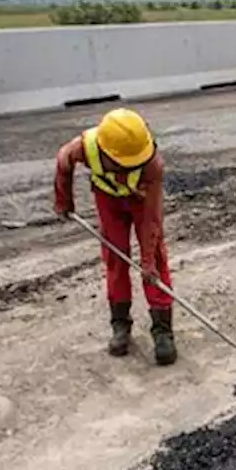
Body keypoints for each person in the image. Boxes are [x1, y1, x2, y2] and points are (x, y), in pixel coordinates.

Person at [54, 107, 176, 366]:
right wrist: (64, 200)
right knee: (115, 256)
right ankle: (120, 325)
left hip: (142, 202)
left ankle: (163, 331)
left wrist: (147, 262)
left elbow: (152, 218)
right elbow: (63, 160)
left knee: (154, 258)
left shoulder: (152, 164)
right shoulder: (84, 148)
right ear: (107, 152)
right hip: (108, 200)